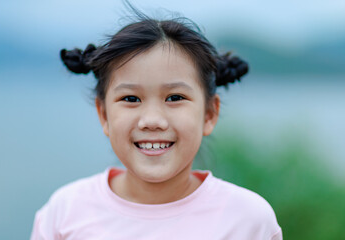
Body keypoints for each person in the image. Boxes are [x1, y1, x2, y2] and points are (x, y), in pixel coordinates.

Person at [30, 4, 282, 240]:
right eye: (131, 98)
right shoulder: (64, 213)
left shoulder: (249, 220)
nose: (152, 121)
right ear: (104, 114)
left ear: (209, 114)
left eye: (174, 97)